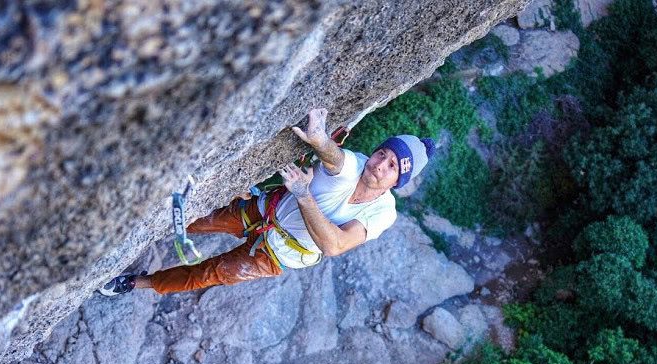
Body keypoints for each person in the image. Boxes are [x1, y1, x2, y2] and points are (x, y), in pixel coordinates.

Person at [99, 107, 435, 296]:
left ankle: (136, 282)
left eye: (392, 165)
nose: (378, 165)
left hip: (279, 254)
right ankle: (124, 229)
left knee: (208, 274)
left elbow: (334, 245)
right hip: (264, 212)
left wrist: (304, 195)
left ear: (398, 181)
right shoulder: (357, 165)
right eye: (382, 153)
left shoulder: (382, 212)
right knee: (194, 219)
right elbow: (336, 160)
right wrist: (318, 138)